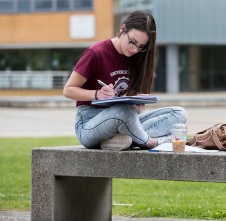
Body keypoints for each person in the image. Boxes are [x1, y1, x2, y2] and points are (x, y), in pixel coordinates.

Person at [63, 10, 187, 151]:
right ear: (122, 29)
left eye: (141, 47)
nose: (134, 49)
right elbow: (68, 90)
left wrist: (137, 104)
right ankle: (150, 142)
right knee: (122, 111)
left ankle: (121, 141)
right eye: (132, 42)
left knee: (179, 113)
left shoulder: (138, 58)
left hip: (125, 122)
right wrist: (97, 94)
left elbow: (131, 111)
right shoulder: (96, 53)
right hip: (89, 124)